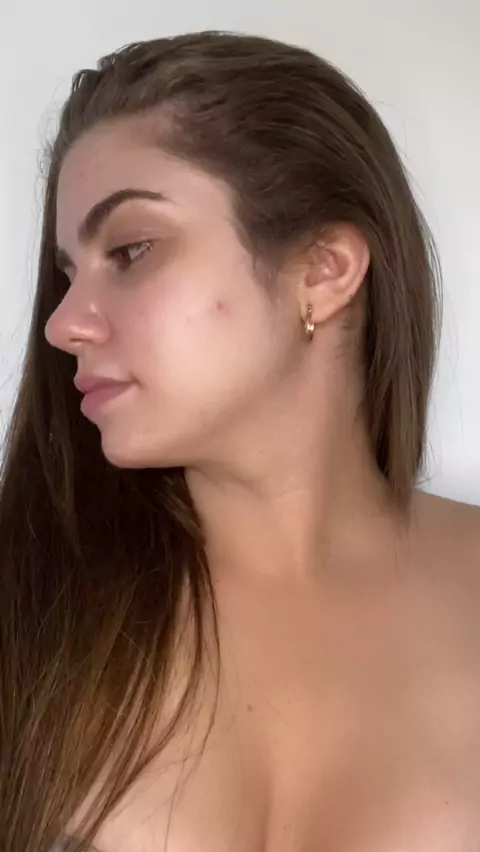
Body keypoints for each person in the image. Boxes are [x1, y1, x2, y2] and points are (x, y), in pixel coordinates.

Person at [1, 29, 479, 852]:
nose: (63, 324)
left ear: (324, 271)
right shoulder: (26, 602)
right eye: (68, 274)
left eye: (131, 251)